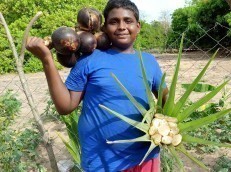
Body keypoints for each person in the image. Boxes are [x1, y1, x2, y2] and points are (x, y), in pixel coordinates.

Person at [26, 0, 168, 171]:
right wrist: (47, 59)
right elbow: (65, 106)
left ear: (138, 26)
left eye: (128, 21)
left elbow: (166, 100)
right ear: (104, 28)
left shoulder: (149, 61)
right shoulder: (89, 60)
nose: (121, 26)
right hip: (102, 160)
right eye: (114, 22)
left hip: (145, 157)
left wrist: (166, 127)